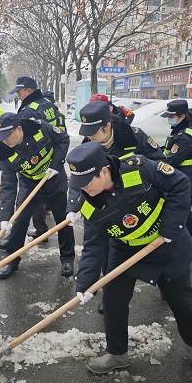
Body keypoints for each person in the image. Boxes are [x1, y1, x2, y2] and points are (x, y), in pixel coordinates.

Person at [66, 142, 192, 380]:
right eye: (78, 184)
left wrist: (170, 228)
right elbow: (95, 245)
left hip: (165, 245)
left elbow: (180, 183)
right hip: (125, 251)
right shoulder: (88, 201)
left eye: (87, 182)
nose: (83, 189)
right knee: (113, 302)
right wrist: (85, 283)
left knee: (183, 303)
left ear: (104, 171)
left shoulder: (138, 167)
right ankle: (117, 354)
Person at [70, 100, 165, 314]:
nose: (90, 136)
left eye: (94, 131)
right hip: (111, 208)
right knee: (108, 251)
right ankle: (111, 296)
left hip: (145, 204)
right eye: (87, 132)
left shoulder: (135, 136)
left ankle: (167, 285)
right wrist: (74, 206)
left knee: (161, 251)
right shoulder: (88, 145)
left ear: (108, 125)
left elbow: (159, 164)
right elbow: (79, 181)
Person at [0, 112, 75, 279]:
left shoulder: (41, 127)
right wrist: (5, 217)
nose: (5, 141)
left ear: (19, 129)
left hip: (53, 182)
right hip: (29, 185)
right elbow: (8, 185)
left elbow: (63, 139)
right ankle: (11, 261)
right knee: (19, 221)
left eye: (8, 136)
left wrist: (56, 165)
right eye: (1, 137)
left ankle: (67, 259)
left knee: (63, 220)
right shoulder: (4, 150)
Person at [10, 77, 67, 239]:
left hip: (35, 161)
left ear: (29, 91)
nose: (18, 96)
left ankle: (15, 239)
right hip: (54, 160)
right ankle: (41, 229)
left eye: (20, 92)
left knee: (28, 200)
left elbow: (23, 140)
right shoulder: (50, 106)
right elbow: (61, 132)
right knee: (45, 199)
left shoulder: (28, 110)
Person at [161, 100, 192, 254]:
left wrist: (154, 165)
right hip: (185, 176)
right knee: (182, 211)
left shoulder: (185, 137)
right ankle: (184, 239)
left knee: (184, 212)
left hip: (189, 178)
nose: (170, 119)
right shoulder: (179, 130)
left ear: (182, 116)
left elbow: (172, 160)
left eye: (172, 116)